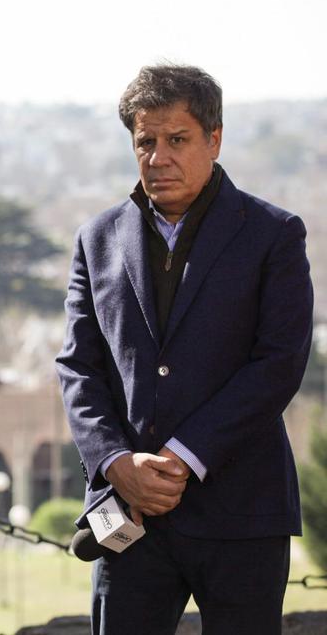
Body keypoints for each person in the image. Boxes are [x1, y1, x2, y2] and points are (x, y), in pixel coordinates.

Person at [57, 64, 313, 635]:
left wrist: (182, 457)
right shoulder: (96, 238)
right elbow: (78, 366)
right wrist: (113, 462)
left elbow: (279, 364)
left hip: (241, 513)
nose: (158, 157)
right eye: (145, 141)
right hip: (129, 516)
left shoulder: (274, 234)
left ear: (214, 138)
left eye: (177, 140)